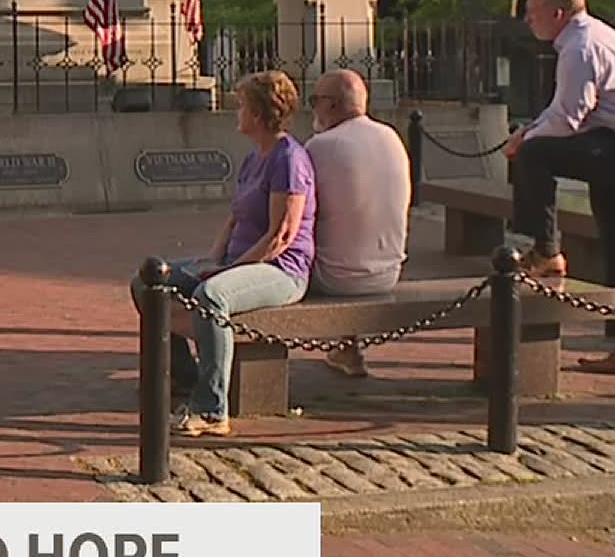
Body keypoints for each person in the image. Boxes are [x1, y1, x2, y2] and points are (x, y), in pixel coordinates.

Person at [129, 71, 316, 437]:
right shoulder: (252, 159)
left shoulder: (289, 160)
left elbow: (281, 235)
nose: (237, 112)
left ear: (259, 115)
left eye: (243, 106)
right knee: (148, 283)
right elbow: (234, 218)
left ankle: (212, 408)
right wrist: (213, 259)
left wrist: (225, 273)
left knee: (210, 296)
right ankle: (183, 376)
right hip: (239, 261)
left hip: (280, 269)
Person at [505, 0, 615, 376]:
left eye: (534, 11)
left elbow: (567, 119)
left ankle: (546, 250)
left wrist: (524, 141)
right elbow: (562, 111)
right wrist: (528, 131)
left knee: (536, 155)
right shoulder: (591, 35)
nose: (528, 19)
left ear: (558, 13)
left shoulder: (579, 47)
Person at [305, 70, 411, 377]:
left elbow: (299, 215)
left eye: (316, 101)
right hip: (388, 272)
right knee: (345, 233)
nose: (314, 109)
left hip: (336, 278)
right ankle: (347, 349)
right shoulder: (391, 137)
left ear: (332, 105)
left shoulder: (322, 145)